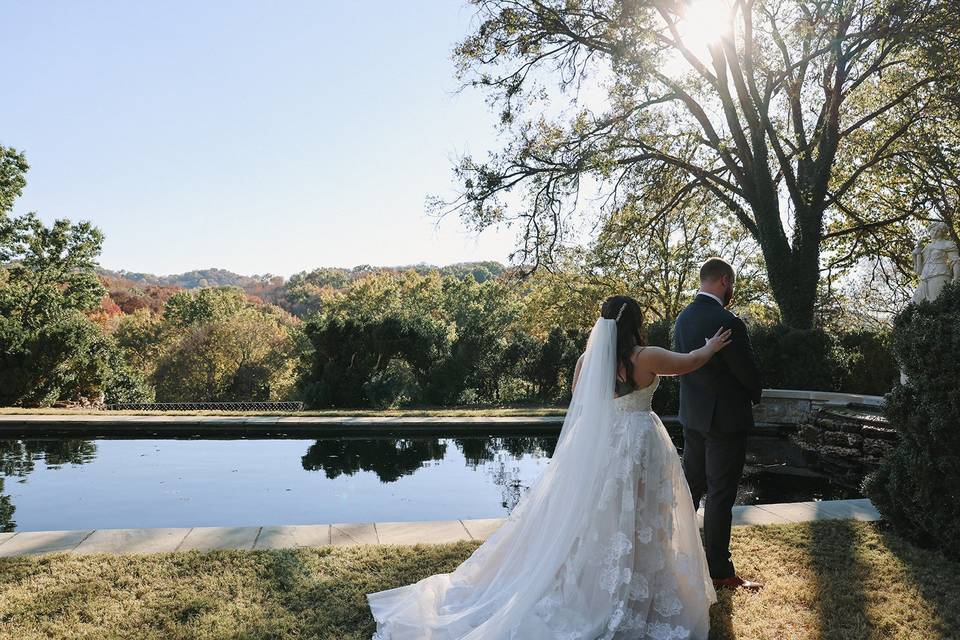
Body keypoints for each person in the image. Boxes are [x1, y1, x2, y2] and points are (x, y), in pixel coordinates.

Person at [367, 294, 731, 639]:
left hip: (605, 445)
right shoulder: (646, 356)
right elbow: (688, 363)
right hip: (639, 441)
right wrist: (710, 347)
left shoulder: (587, 361)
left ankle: (602, 580)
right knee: (641, 514)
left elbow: (580, 399)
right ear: (635, 323)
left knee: (600, 516)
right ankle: (632, 585)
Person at [674, 257, 763, 591]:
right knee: (720, 496)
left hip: (693, 420)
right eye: (733, 285)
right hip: (726, 422)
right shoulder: (727, 321)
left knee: (690, 491)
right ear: (725, 280)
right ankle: (720, 572)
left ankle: (678, 555)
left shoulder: (683, 319)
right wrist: (756, 392)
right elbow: (749, 374)